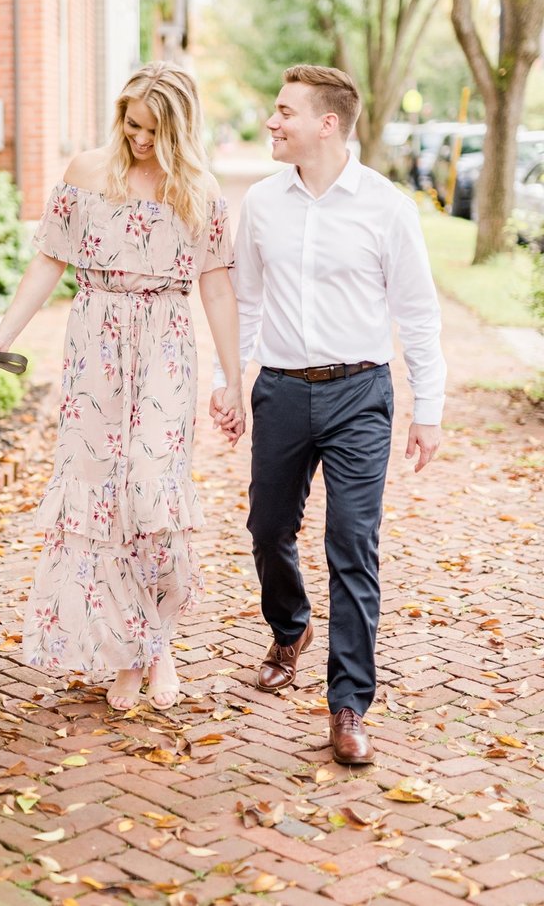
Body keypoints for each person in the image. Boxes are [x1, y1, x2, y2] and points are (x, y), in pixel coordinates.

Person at [0, 62, 243, 711]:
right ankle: (130, 653)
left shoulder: (198, 189)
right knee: (102, 501)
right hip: (95, 346)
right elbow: (48, 261)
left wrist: (234, 379)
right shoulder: (87, 172)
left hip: (166, 343)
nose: (139, 139)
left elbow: (217, 287)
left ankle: (158, 639)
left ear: (179, 129)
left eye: (153, 130)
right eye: (131, 124)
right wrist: (2, 336)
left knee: (151, 492)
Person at [211, 64, 445, 764]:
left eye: (285, 111)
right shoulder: (262, 203)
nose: (272, 122)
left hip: (360, 395)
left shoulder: (386, 207)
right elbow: (246, 301)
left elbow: (418, 313)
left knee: (352, 543)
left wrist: (427, 410)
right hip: (281, 390)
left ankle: (348, 705)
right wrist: (231, 383)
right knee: (267, 528)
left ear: (328, 123)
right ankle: (290, 628)